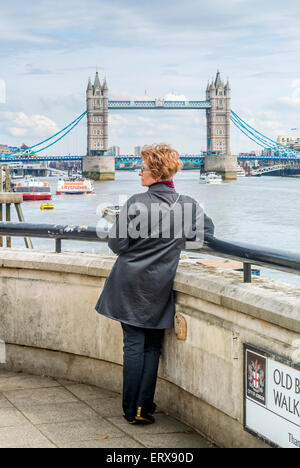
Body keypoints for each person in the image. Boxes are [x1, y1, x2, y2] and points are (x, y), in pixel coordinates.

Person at [95, 144, 214, 424]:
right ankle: (143, 407)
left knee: (134, 346)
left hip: (128, 284)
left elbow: (117, 244)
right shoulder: (188, 205)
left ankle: (130, 409)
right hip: (159, 286)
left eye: (144, 168)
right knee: (151, 347)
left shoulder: (136, 202)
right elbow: (206, 234)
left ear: (156, 172)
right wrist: (174, 242)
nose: (140, 172)